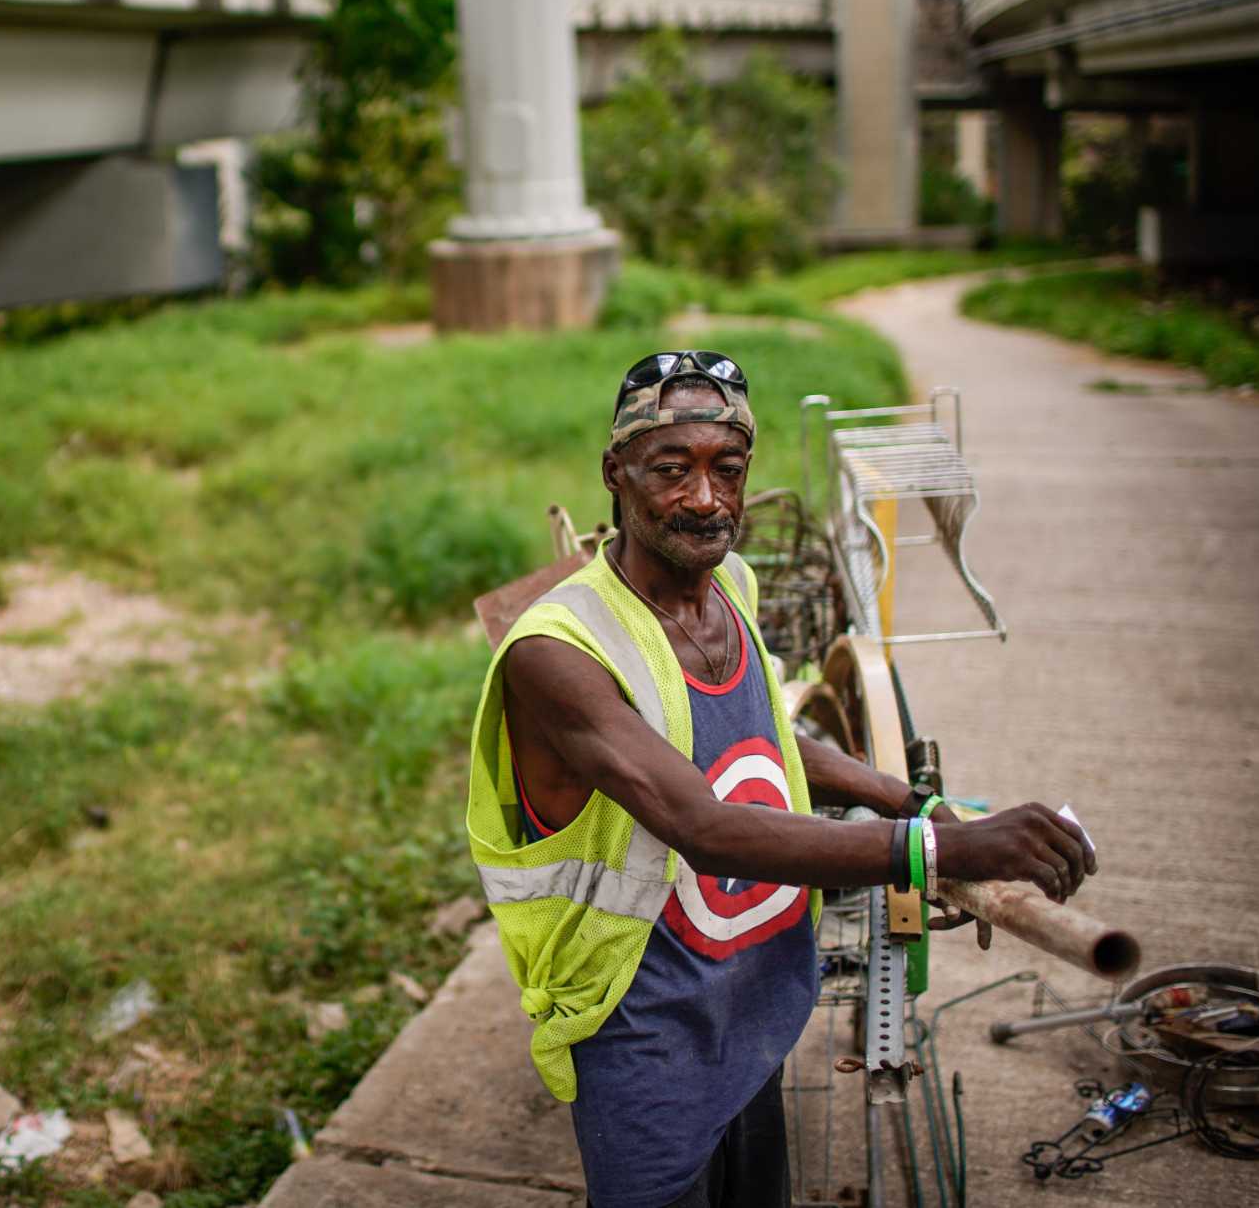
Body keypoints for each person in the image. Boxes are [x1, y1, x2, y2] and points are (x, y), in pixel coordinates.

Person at [464, 350, 1095, 1208]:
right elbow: (706, 824)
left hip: (748, 987)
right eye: (670, 469)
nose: (705, 498)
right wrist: (943, 847)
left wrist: (909, 799)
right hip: (642, 1020)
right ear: (615, 473)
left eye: (727, 469)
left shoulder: (728, 583)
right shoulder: (557, 652)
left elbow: (764, 733)